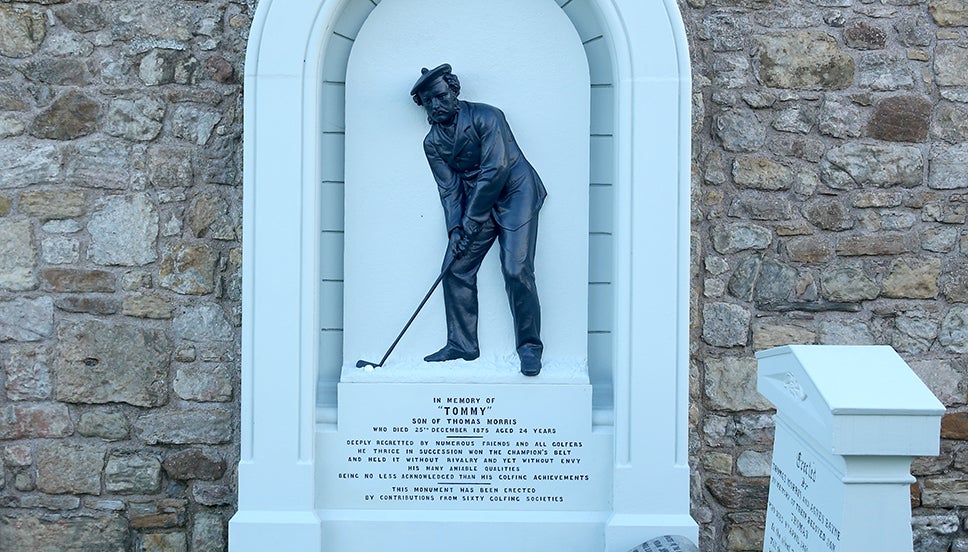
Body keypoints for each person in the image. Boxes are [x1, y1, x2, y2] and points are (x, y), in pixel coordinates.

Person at [410, 63, 546, 376]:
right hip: (477, 203)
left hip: (515, 193)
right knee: (455, 268)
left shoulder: (488, 116)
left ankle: (529, 347)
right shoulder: (432, 143)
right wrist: (456, 229)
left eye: (440, 95)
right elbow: (450, 190)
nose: (436, 104)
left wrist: (471, 220)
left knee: (517, 269)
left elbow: (495, 170)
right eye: (428, 101)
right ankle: (462, 344)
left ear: (454, 89)